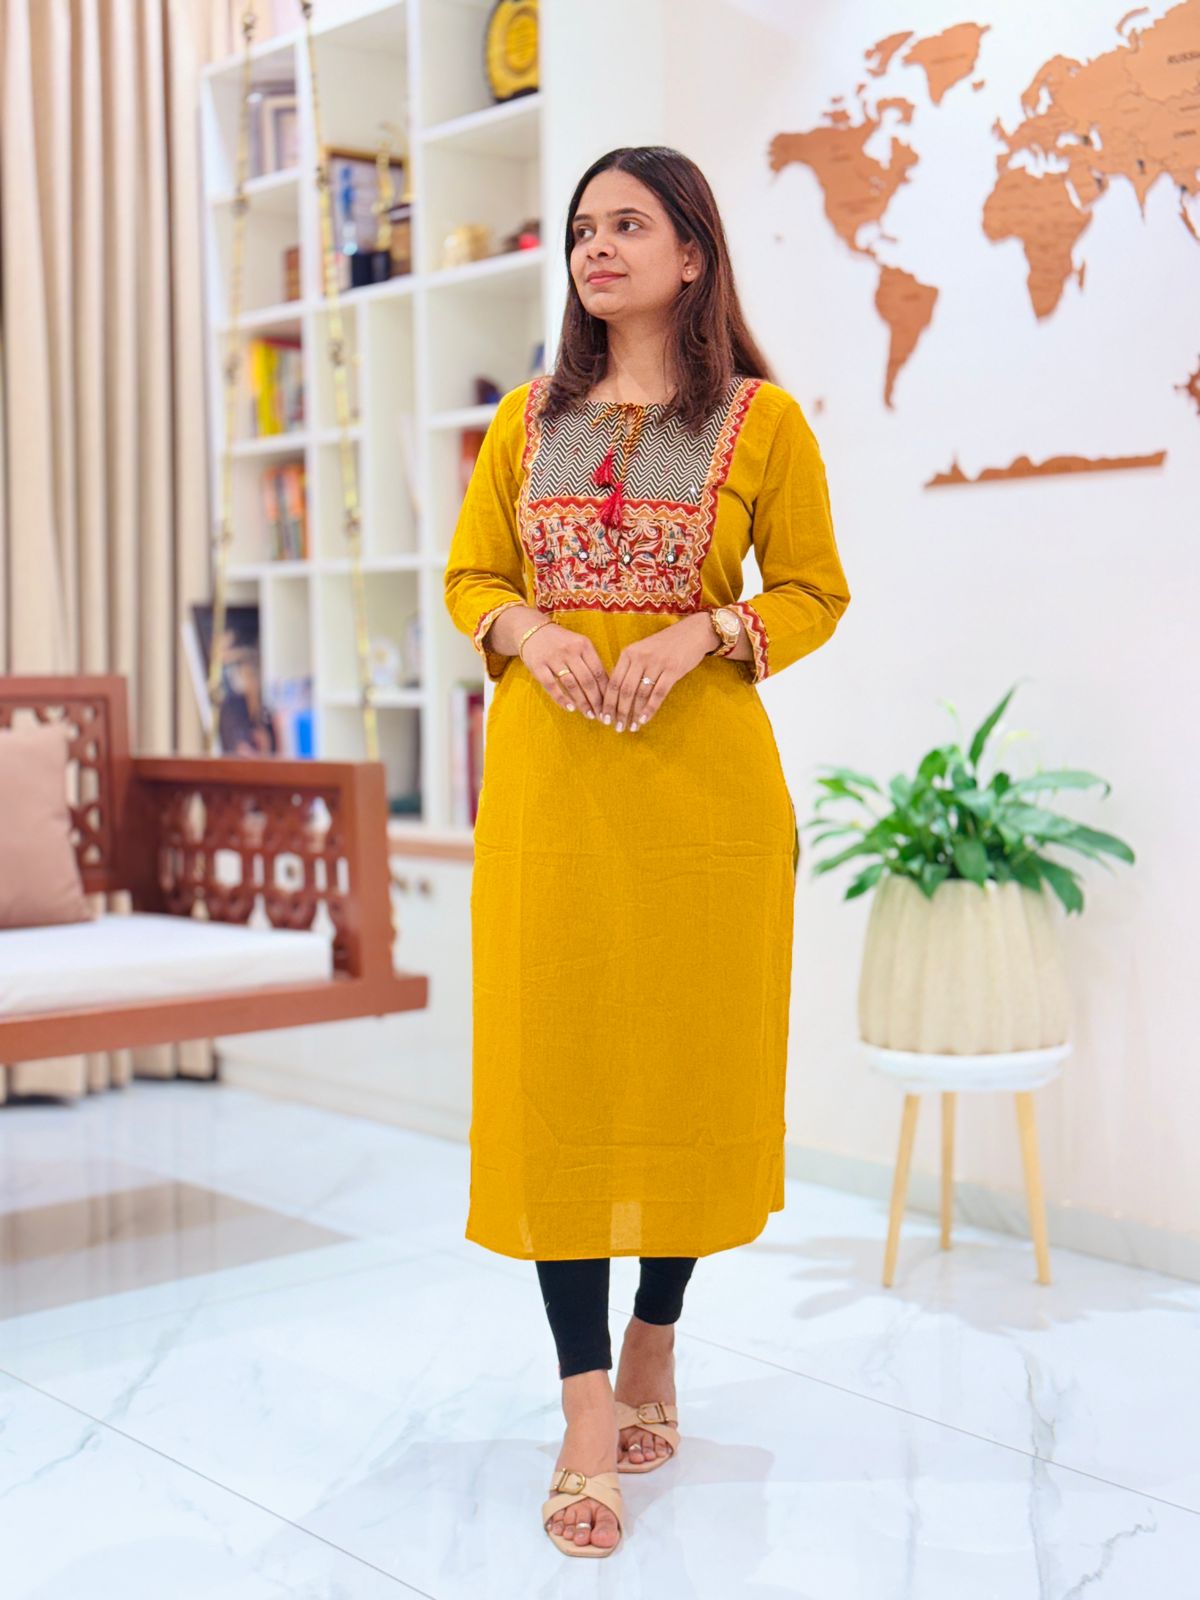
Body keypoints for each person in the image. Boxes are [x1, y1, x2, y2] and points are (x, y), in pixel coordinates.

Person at [443, 145, 852, 1558]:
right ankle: (582, 1410)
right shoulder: (526, 421)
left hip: (702, 809)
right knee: (556, 1082)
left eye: (628, 224)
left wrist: (707, 631)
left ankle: (656, 1336)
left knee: (683, 1067)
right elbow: (473, 575)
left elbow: (816, 590)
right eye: (582, 229)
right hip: (552, 802)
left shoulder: (762, 421)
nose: (596, 248)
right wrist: (527, 629)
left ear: (693, 254)